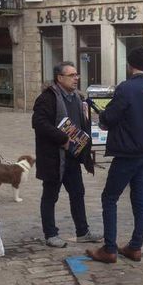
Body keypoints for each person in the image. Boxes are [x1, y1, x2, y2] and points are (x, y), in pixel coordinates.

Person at [86, 45, 143, 264]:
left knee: (109, 197)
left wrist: (103, 118)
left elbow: (112, 116)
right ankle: (136, 246)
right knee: (140, 200)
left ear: (130, 65)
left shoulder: (126, 88)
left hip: (127, 152)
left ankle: (109, 248)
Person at [32, 61, 99, 247]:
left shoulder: (77, 98)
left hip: (72, 156)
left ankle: (82, 231)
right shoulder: (47, 98)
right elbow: (39, 123)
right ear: (60, 78)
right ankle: (50, 234)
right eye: (72, 75)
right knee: (50, 195)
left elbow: (81, 123)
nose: (76, 78)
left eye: (77, 75)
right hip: (54, 157)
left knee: (78, 193)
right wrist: (61, 137)